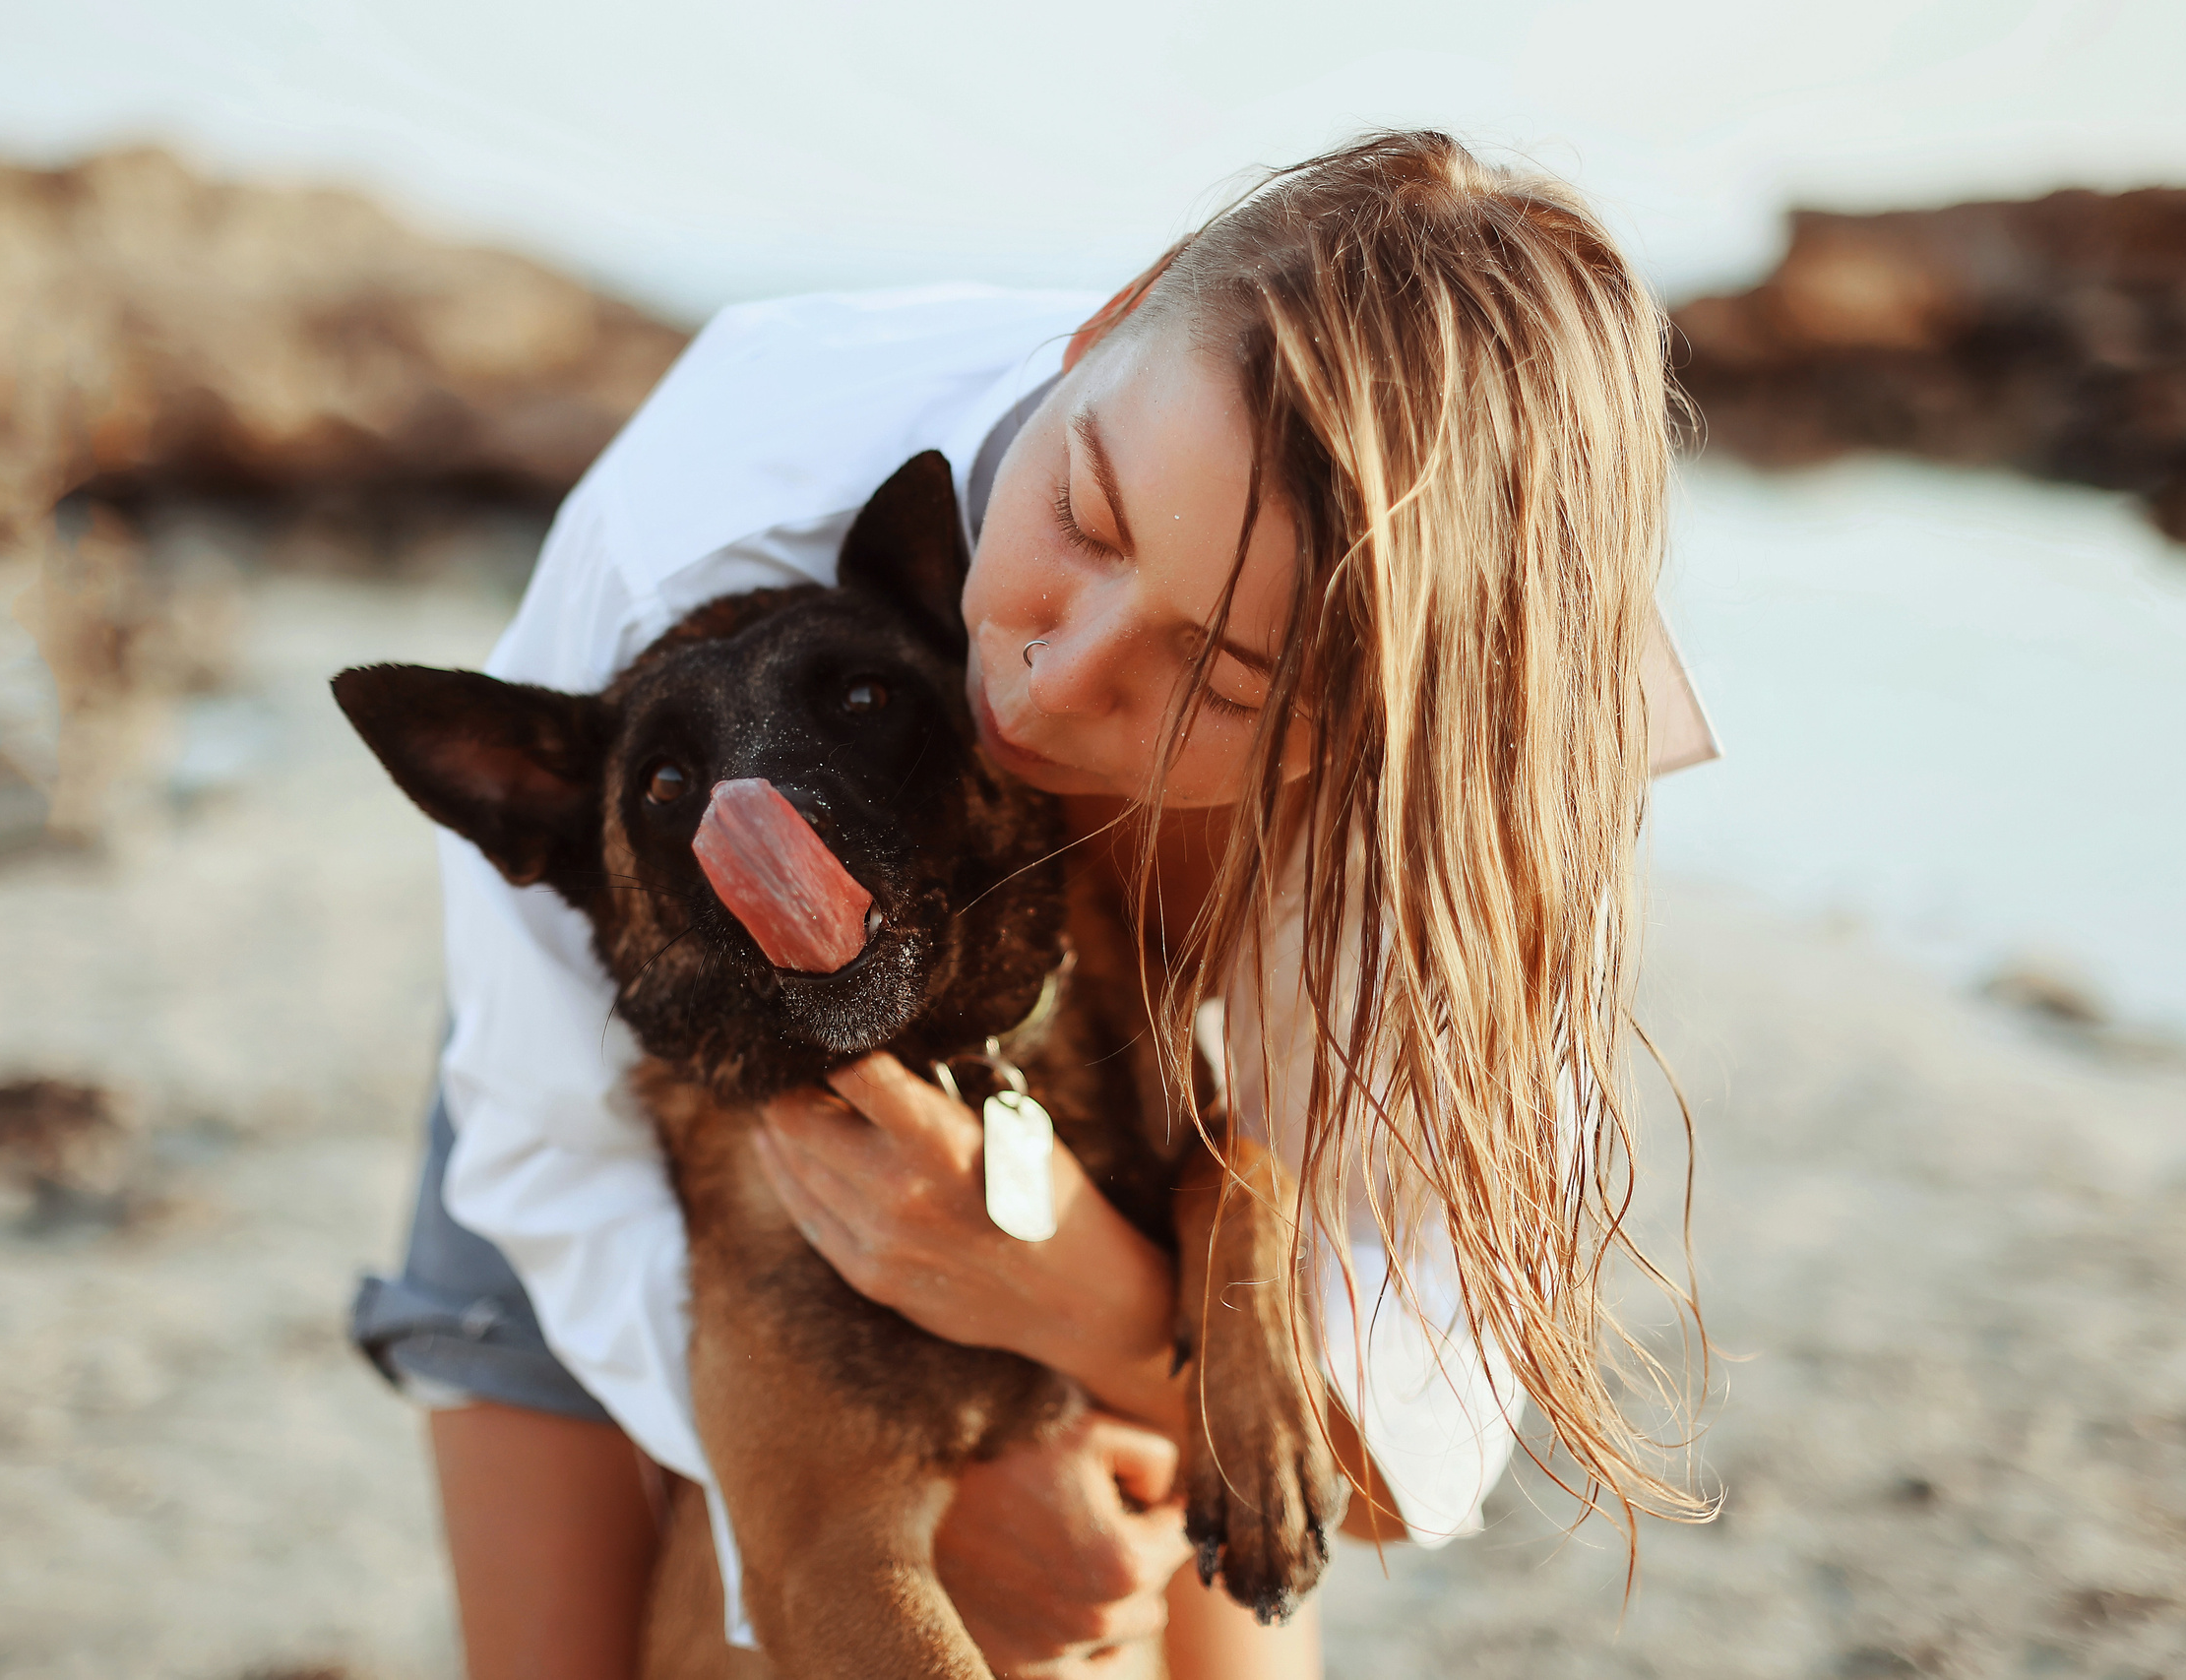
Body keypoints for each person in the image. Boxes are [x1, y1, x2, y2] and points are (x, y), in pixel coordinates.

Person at [349, 130, 1715, 1679]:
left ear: (1369, 729)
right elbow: (546, 1149)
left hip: (1121, 1153)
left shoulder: (1459, 821)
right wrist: (894, 1483)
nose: (1051, 681)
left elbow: (1408, 1456)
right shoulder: (714, 500)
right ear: (1112, 313)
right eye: (1084, 514)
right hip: (617, 1119)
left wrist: (1085, 1319)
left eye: (1221, 679)